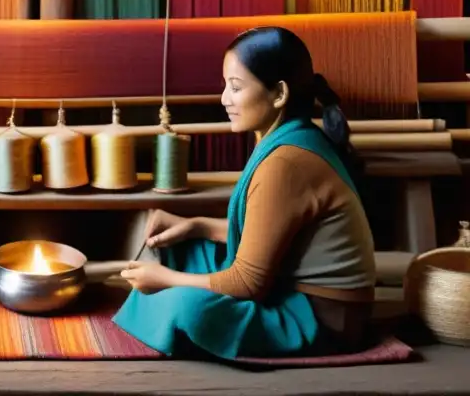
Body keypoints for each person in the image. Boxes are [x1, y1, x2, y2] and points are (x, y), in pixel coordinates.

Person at [112, 26, 376, 360]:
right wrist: (197, 225)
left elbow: (248, 284)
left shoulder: (287, 162)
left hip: (319, 320)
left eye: (235, 87)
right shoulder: (289, 137)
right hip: (291, 292)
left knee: (186, 307)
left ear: (278, 94)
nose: (224, 99)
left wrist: (165, 280)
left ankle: (166, 300)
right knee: (186, 247)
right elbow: (268, 234)